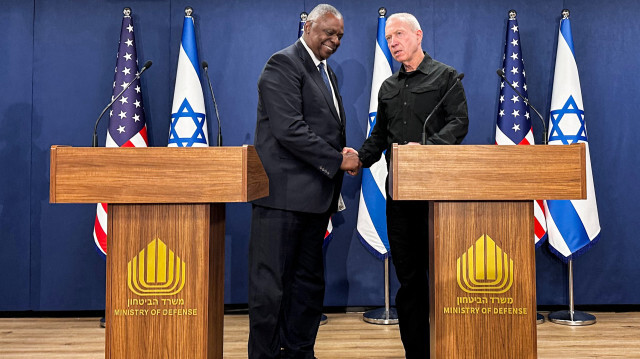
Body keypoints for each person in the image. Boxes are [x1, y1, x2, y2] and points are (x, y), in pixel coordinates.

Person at [353, 13, 469, 359]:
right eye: (389, 38)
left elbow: (460, 123)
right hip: (400, 196)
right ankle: (416, 353)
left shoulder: (446, 76)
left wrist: (427, 149)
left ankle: (451, 347)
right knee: (410, 280)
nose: (393, 43)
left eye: (399, 34)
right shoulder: (388, 87)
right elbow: (379, 137)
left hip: (437, 195)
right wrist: (356, 159)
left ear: (418, 35)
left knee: (446, 277)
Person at [250, 4, 359, 359]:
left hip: (316, 198)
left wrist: (338, 153)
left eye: (340, 35)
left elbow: (322, 126)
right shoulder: (283, 63)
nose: (335, 39)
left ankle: (300, 351)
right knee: (271, 288)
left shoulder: (327, 72)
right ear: (308, 26)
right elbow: (288, 130)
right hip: (282, 199)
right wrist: (337, 160)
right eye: (329, 31)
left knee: (308, 285)